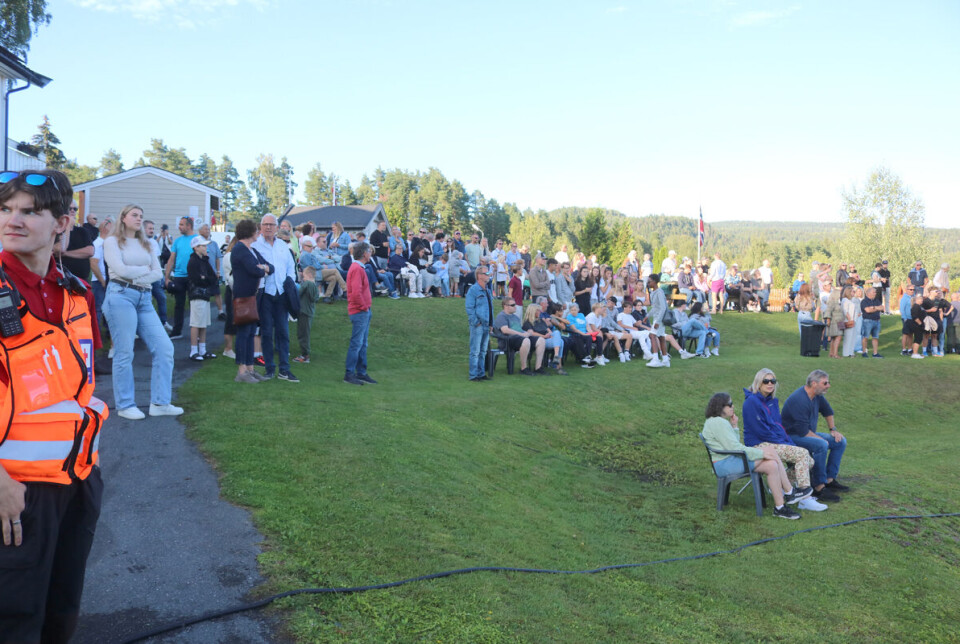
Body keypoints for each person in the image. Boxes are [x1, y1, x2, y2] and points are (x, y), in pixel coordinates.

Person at [0, 169, 110, 642]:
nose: (13, 220)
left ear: (63, 221)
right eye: (6, 209)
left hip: (78, 483)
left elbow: (76, 388)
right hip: (14, 493)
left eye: (30, 211)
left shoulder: (76, 294)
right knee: (14, 619)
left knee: (60, 609)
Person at [102, 204, 181, 419]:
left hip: (144, 298)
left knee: (165, 348)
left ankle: (160, 403)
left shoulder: (147, 243)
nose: (139, 219)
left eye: (141, 216)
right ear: (124, 218)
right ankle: (126, 405)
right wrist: (143, 272)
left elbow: (157, 273)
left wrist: (137, 276)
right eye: (134, 215)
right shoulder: (111, 242)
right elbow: (120, 270)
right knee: (124, 352)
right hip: (120, 296)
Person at [701, 393, 810, 519]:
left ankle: (780, 507)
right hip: (726, 464)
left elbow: (733, 444)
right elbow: (736, 448)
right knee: (770, 452)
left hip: (727, 461)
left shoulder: (715, 422)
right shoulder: (719, 423)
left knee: (772, 465)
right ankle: (789, 492)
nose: (732, 406)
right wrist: (762, 453)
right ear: (720, 406)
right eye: (729, 404)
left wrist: (735, 427)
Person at [741, 368, 827, 512]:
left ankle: (778, 485)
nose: (770, 384)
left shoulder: (772, 401)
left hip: (773, 441)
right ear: (758, 382)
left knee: (809, 460)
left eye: (773, 381)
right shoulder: (751, 402)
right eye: (766, 381)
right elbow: (761, 431)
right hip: (759, 444)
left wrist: (787, 442)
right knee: (802, 454)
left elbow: (778, 426)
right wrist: (782, 442)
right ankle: (804, 498)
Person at [781, 370, 849, 505]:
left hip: (806, 433)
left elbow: (828, 411)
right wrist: (820, 439)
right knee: (821, 445)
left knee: (840, 441)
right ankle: (818, 486)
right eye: (825, 383)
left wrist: (833, 430)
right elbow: (803, 431)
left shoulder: (816, 396)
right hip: (792, 437)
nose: (828, 385)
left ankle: (829, 479)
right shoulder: (799, 400)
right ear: (814, 383)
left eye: (828, 382)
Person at [252, 214, 299, 383]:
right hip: (265, 294)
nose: (268, 228)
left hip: (281, 295)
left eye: (272, 225)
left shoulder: (283, 247)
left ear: (277, 228)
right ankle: (269, 368)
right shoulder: (255, 246)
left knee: (283, 332)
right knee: (266, 333)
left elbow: (290, 269)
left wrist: (290, 283)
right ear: (260, 226)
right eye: (265, 224)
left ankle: (284, 369)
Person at [230, 220, 271, 383]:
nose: (259, 232)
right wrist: (263, 269)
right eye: (256, 230)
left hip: (252, 297)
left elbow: (269, 267)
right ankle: (242, 372)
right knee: (243, 334)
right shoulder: (240, 249)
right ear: (249, 232)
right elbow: (255, 270)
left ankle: (250, 369)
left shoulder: (251, 250)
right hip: (243, 297)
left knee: (250, 332)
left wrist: (264, 268)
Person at [344, 242, 377, 386]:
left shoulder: (358, 267)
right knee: (357, 344)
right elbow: (356, 293)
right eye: (369, 251)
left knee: (363, 343)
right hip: (360, 311)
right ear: (364, 253)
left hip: (363, 310)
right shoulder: (357, 268)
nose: (370, 253)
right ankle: (349, 374)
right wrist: (364, 307)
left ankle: (361, 373)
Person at [163, 216, 197, 340]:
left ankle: (196, 331)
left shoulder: (197, 239)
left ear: (189, 226)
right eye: (179, 224)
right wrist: (167, 277)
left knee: (195, 304)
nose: (179, 227)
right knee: (179, 305)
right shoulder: (177, 241)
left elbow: (203, 258)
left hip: (193, 277)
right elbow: (171, 259)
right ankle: (177, 331)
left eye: (182, 224)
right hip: (179, 276)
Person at [494, 297, 546, 375]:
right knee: (525, 340)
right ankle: (523, 368)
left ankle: (538, 368)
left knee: (541, 340)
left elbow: (519, 330)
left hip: (519, 338)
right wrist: (522, 334)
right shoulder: (501, 316)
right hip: (507, 341)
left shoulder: (515, 317)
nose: (515, 306)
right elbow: (505, 330)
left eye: (515, 304)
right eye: (513, 305)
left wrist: (527, 332)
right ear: (505, 306)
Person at [186, 235, 218, 362]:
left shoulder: (204, 260)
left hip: (204, 295)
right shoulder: (193, 261)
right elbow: (197, 279)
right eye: (203, 246)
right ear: (196, 248)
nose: (205, 248)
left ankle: (202, 349)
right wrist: (205, 279)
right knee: (196, 323)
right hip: (197, 295)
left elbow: (212, 277)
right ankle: (193, 350)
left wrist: (205, 278)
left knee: (203, 323)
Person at [465, 266, 494, 381]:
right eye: (486, 273)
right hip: (478, 325)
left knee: (483, 351)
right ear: (479, 275)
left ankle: (481, 374)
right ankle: (473, 375)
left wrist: (492, 323)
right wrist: (476, 322)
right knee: (475, 351)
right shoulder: (473, 290)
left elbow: (490, 308)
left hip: (487, 325)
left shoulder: (487, 290)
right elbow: (469, 308)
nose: (488, 275)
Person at [143, 219, 171, 331]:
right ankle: (144, 326)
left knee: (161, 297)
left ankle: (163, 322)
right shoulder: (139, 241)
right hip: (143, 277)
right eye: (149, 229)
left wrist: (161, 275)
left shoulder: (154, 242)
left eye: (153, 229)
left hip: (154, 276)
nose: (152, 231)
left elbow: (157, 260)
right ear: (143, 229)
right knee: (146, 301)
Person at [293, 266, 320, 364]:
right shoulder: (314, 286)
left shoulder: (307, 284)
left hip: (304, 312)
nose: (302, 277)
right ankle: (305, 354)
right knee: (305, 333)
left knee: (303, 334)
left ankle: (305, 355)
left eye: (304, 275)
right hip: (309, 312)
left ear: (309, 275)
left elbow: (298, 293)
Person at [198, 223, 225, 319]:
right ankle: (204, 314)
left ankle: (221, 312)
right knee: (204, 293)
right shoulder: (197, 244)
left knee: (217, 292)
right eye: (205, 229)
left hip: (213, 273)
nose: (207, 231)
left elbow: (218, 258)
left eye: (208, 229)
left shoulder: (214, 244)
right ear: (200, 231)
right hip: (202, 273)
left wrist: (218, 271)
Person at [645, 273, 670, 368]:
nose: (648, 283)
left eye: (649, 281)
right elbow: (655, 307)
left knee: (652, 335)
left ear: (655, 282)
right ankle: (665, 359)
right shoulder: (653, 292)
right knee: (661, 338)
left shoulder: (659, 292)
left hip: (660, 319)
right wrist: (648, 315)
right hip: (657, 318)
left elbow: (663, 307)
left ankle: (655, 359)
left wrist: (658, 322)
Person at [860, 286, 884, 357]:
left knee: (875, 337)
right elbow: (867, 310)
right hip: (868, 321)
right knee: (865, 337)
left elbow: (882, 308)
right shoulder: (864, 301)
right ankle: (864, 352)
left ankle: (875, 353)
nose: (875, 293)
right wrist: (877, 308)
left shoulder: (876, 300)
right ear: (868, 293)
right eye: (874, 292)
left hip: (877, 321)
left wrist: (874, 307)